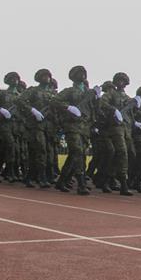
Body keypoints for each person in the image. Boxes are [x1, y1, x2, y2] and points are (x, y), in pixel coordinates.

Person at [50, 65, 94, 195]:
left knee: (75, 156)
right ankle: (81, 184)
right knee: (78, 152)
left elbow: (93, 110)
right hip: (72, 126)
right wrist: (68, 107)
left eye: (83, 73)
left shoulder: (89, 92)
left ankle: (62, 180)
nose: (82, 75)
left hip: (85, 128)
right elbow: (55, 101)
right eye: (79, 73)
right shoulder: (69, 91)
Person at [17, 69, 55, 188]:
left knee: (37, 152)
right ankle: (42, 177)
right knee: (41, 149)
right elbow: (20, 101)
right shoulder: (33, 90)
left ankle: (29, 177)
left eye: (48, 76)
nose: (46, 78)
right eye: (43, 76)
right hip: (35, 125)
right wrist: (32, 110)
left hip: (48, 126)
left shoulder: (52, 93)